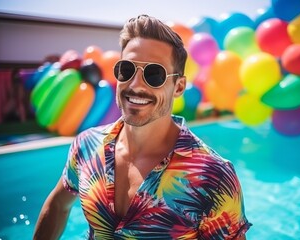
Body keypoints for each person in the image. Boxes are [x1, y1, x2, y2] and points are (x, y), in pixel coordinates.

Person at [33, 14, 251, 240]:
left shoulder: (213, 176)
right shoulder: (86, 145)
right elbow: (58, 205)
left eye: (154, 74)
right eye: (126, 70)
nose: (135, 85)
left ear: (179, 87)